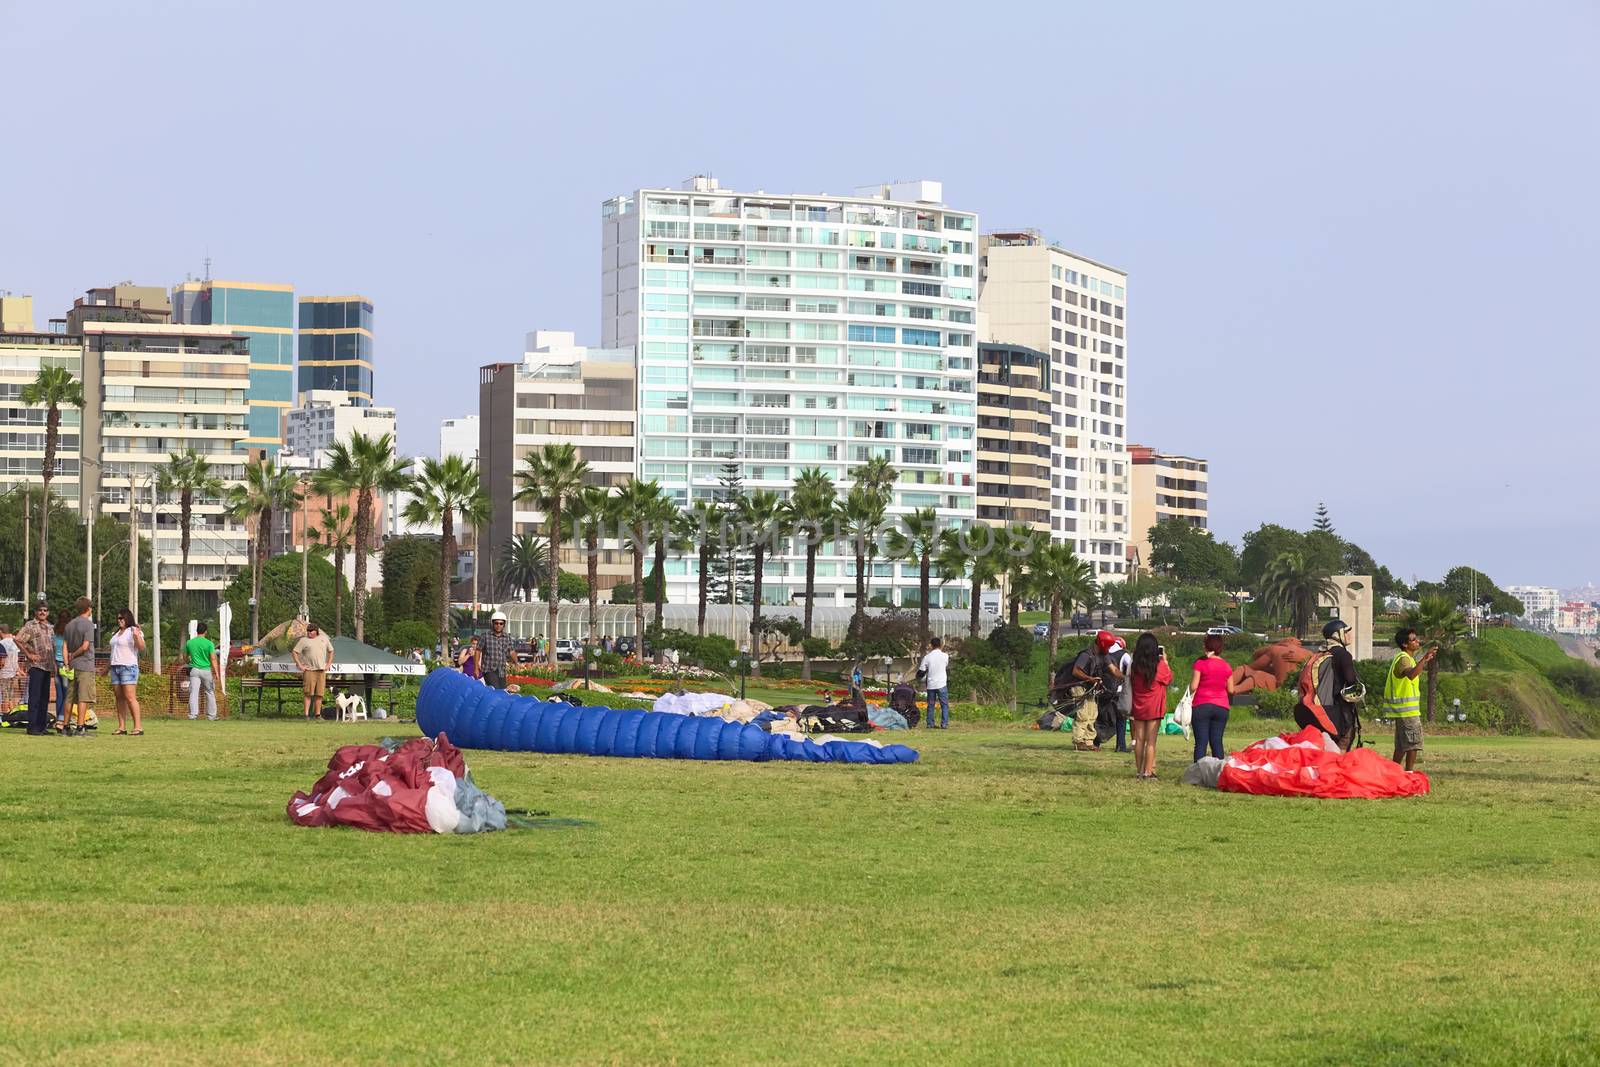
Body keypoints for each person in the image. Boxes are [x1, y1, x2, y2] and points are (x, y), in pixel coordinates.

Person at [1298, 619, 1362, 749]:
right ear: (1336, 635)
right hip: (1340, 711)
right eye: (1346, 632)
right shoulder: (1343, 654)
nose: (1349, 635)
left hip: (1320, 710)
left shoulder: (1322, 653)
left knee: (1324, 747)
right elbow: (1350, 680)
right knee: (1342, 745)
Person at [1385, 627, 1435, 771]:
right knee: (1413, 743)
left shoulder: (1407, 659)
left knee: (1401, 745)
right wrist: (1425, 659)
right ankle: (1409, 774)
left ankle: (1393, 772)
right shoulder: (1404, 659)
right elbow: (1411, 674)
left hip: (1403, 712)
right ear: (1405, 644)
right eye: (1413, 639)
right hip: (1407, 713)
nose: (1417, 641)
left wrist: (1422, 660)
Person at [1128, 633, 1173, 780]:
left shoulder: (1135, 666)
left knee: (1139, 739)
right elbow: (1168, 678)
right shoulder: (1159, 666)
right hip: (1154, 706)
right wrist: (1165, 661)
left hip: (1138, 704)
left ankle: (1139, 771)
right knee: (1151, 741)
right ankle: (1148, 772)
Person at [1189, 633, 1238, 761]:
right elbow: (1231, 690)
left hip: (1201, 705)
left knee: (1201, 742)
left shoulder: (1200, 663)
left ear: (1206, 646)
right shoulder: (1227, 666)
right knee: (1217, 742)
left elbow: (1194, 686)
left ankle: (1198, 771)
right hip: (1221, 707)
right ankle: (1218, 772)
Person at [16, 603, 57, 736]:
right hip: (36, 666)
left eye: (45, 610)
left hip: (48, 666)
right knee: (34, 697)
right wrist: (28, 654)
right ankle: (32, 727)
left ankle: (41, 726)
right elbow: (18, 639)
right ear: (36, 612)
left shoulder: (51, 627)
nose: (42, 612)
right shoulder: (30, 626)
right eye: (40, 610)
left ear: (48, 612)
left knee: (44, 698)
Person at [1066, 634, 1110, 751]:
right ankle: (1078, 740)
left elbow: (1112, 668)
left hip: (1090, 688)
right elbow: (1076, 671)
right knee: (1083, 714)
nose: (1109, 649)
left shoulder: (1100, 656)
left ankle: (1089, 741)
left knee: (1092, 714)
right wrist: (1090, 679)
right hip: (1079, 686)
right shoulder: (1085, 655)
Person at [62, 597, 97, 737]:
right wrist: (74, 655)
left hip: (72, 667)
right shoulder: (88, 625)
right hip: (85, 664)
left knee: (69, 697)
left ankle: (65, 726)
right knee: (84, 697)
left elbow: (64, 646)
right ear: (88, 608)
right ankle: (80, 727)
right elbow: (85, 646)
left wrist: (67, 662)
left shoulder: (69, 625)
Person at [108, 608, 146, 736]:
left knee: (130, 697)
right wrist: (106, 668)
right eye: (118, 618)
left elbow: (141, 647)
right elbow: (114, 652)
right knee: (119, 698)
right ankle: (122, 726)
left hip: (128, 667)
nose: (119, 621)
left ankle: (138, 726)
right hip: (115, 667)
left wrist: (136, 636)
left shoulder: (133, 631)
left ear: (127, 618)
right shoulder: (116, 633)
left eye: (122, 618)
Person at [293, 622, 334, 721]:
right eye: (308, 631)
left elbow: (331, 651)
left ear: (316, 631)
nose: (309, 633)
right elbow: (295, 652)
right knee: (308, 693)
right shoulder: (303, 640)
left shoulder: (324, 639)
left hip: (321, 670)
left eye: (311, 631)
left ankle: (317, 715)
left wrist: (328, 663)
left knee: (319, 694)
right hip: (309, 670)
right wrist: (299, 664)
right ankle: (306, 715)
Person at [185, 622, 221, 721]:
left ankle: (193, 715)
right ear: (205, 631)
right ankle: (211, 715)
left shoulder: (189, 643)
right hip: (206, 670)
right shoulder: (209, 643)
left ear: (197, 630)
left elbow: (185, 657)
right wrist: (217, 673)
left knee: (193, 692)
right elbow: (213, 659)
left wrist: (188, 663)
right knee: (209, 692)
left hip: (194, 670)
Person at [1102, 638, 1133, 753]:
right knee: (1121, 719)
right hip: (1118, 690)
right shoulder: (1124, 655)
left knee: (1102, 717)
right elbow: (1131, 669)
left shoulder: (1104, 654)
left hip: (1103, 690)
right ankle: (1120, 745)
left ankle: (1096, 743)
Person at [919, 636, 951, 729]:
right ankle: (944, 724)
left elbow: (922, 670)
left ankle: (930, 724)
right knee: (944, 705)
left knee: (931, 705)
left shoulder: (927, 657)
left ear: (931, 645)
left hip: (931, 684)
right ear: (940, 645)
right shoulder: (945, 656)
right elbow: (945, 665)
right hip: (942, 683)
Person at [479, 612, 518, 690]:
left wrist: (516, 663)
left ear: (504, 624)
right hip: (488, 669)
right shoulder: (485, 636)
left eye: (501, 623)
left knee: (502, 690)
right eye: (496, 623)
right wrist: (476, 668)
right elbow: (477, 650)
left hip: (501, 670)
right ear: (492, 623)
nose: (498, 625)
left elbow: (511, 651)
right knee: (496, 689)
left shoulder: (507, 637)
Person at [0, 623, 18, 713]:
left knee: (5, 696)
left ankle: (6, 715)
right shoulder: (14, 641)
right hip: (13, 672)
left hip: (4, 673)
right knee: (11, 695)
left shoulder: (2, 643)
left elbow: (2, 660)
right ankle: (13, 714)